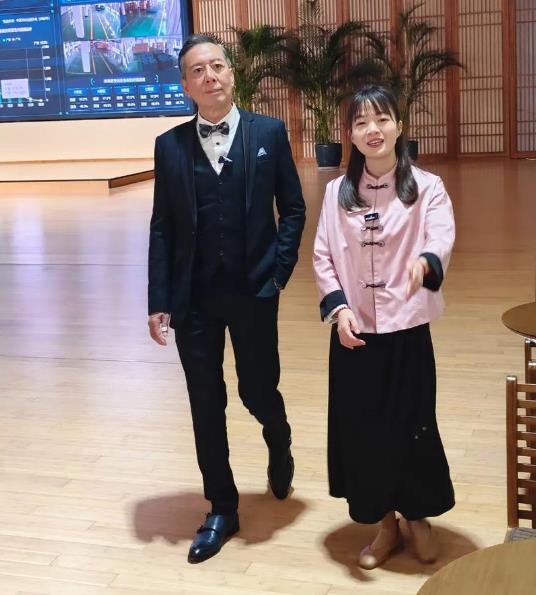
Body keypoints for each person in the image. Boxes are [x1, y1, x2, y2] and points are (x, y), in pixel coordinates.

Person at [148, 34, 306, 563]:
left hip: (254, 290)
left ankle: (278, 437)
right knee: (204, 400)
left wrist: (279, 271)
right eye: (197, 70)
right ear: (185, 85)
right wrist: (158, 298)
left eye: (217, 65)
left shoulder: (269, 133)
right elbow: (163, 227)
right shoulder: (169, 146)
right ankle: (221, 505)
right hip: (194, 296)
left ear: (232, 74)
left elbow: (293, 208)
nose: (209, 75)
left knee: (257, 390)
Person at [313, 84, 455, 570]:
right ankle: (385, 521)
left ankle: (418, 516)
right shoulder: (335, 193)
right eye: (360, 123)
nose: (372, 130)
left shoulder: (428, 186)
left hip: (407, 327)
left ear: (399, 125)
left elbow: (441, 234)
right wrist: (339, 310)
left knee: (413, 425)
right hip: (354, 331)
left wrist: (426, 262)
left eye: (381, 119)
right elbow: (323, 255)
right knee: (364, 430)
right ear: (350, 135)